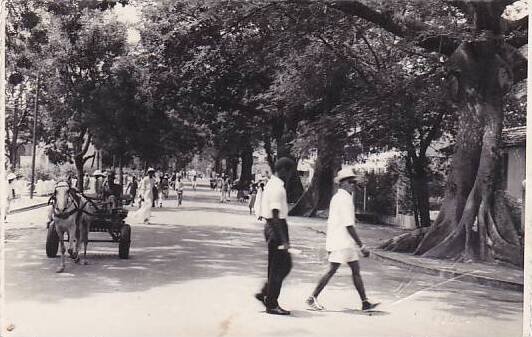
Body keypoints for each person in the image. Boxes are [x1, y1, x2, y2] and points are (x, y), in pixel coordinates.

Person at [306, 168, 378, 312]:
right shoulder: (343, 199)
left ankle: (365, 302)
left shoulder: (339, 197)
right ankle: (312, 297)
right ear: (343, 183)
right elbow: (349, 225)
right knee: (332, 270)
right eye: (351, 182)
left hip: (343, 241)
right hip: (341, 241)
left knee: (355, 270)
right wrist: (362, 246)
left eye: (354, 182)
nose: (353, 185)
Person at [255, 157, 295, 315]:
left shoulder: (272, 184)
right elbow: (275, 214)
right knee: (281, 266)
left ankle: (266, 292)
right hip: (277, 226)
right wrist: (284, 240)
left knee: (277, 265)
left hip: (272, 227)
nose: (291, 175)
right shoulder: (278, 188)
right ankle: (271, 303)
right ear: (284, 170)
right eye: (291, 171)